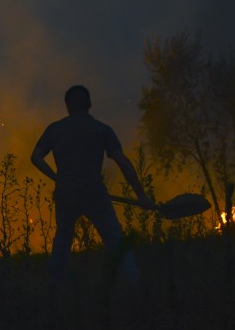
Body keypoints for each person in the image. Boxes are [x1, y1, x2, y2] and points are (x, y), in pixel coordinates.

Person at [31, 85, 155, 285]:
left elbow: (36, 157)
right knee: (115, 239)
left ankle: (54, 286)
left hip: (66, 193)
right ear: (89, 105)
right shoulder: (102, 129)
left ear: (67, 106)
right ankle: (134, 284)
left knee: (62, 240)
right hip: (94, 193)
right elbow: (122, 162)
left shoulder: (55, 129)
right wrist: (141, 196)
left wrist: (56, 177)